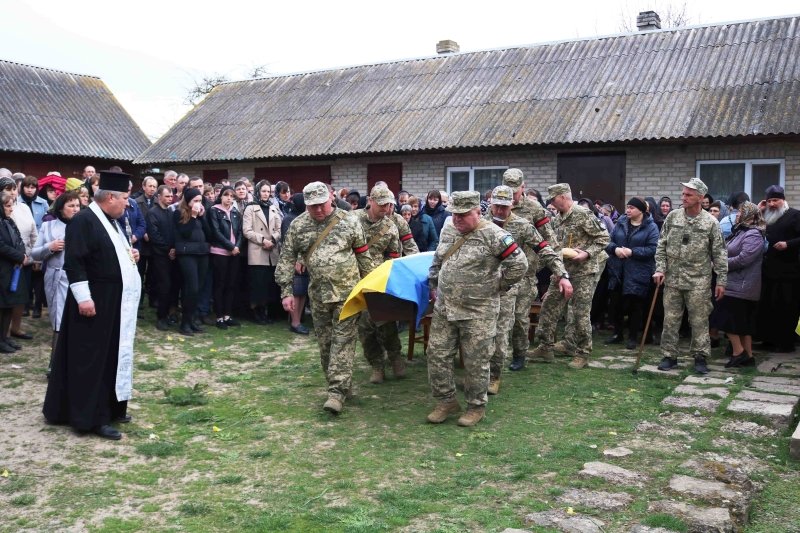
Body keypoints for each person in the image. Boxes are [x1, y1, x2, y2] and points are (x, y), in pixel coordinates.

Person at [42, 170, 141, 440]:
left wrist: (130, 254)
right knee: (92, 359)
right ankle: (92, 417)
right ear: (110, 198)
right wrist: (84, 297)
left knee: (110, 355)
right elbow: (75, 262)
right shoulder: (84, 220)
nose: (128, 204)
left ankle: (111, 406)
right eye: (125, 199)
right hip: (93, 302)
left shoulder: (112, 221)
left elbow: (109, 253)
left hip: (113, 302)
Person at [426, 191, 528, 427]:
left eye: (462, 215)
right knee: (437, 355)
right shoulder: (449, 229)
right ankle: (446, 400)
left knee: (476, 361)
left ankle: (475, 406)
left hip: (478, 311)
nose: (457, 219)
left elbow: (519, 264)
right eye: (454, 214)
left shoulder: (494, 234)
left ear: (477, 212)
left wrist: (499, 285)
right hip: (446, 308)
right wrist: (433, 283)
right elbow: (439, 258)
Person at [276, 182, 372, 415]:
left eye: (322, 205)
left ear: (331, 199)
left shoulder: (349, 221)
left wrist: (370, 287)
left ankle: (336, 393)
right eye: (313, 206)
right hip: (318, 295)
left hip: (347, 294)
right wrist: (286, 291)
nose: (318, 210)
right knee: (326, 344)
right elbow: (287, 259)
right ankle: (340, 383)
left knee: (343, 341)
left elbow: (363, 256)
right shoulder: (298, 226)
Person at [487, 185, 570, 384]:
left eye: (504, 207)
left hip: (517, 280)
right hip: (488, 283)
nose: (499, 211)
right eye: (496, 206)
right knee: (492, 327)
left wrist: (561, 273)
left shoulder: (522, 225)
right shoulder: (482, 223)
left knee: (514, 322)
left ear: (512, 205)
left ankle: (514, 359)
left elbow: (544, 248)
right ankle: (486, 371)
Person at [529, 183, 610, 369]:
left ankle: (582, 352)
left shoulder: (583, 214)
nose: (551, 203)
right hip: (561, 271)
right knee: (548, 307)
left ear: (563, 197)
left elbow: (604, 238)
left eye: (553, 199)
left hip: (583, 271)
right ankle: (545, 347)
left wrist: (587, 253)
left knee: (580, 313)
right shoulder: (557, 218)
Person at [654, 177, 727, 374]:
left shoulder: (710, 222)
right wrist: (660, 268)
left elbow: (719, 253)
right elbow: (661, 245)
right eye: (683, 194)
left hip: (699, 280)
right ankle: (669, 355)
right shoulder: (673, 217)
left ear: (700, 197)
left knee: (699, 320)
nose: (684, 197)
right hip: (673, 278)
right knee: (670, 319)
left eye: (689, 194)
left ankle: (700, 357)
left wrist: (721, 280)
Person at [355, 186, 403, 384]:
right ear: (370, 201)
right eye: (382, 204)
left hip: (379, 281)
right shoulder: (353, 220)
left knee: (386, 322)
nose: (386, 208)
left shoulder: (390, 226)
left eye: (389, 204)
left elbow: (394, 255)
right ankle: (377, 365)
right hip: (356, 280)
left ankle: (395, 356)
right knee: (365, 328)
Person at [710, 202, 765, 367]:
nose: (737, 215)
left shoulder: (753, 234)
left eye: (741, 212)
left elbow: (744, 259)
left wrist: (720, 264)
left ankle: (738, 353)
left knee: (727, 320)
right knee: (741, 324)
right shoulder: (741, 231)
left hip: (742, 285)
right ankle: (748, 357)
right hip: (736, 284)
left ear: (750, 216)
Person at [32, 191, 80, 371]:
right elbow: (34, 253)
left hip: (80, 279)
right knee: (59, 321)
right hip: (56, 277)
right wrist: (50, 247)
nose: (75, 209)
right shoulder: (48, 226)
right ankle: (54, 366)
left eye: (77, 206)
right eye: (71, 206)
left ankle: (75, 364)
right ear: (61, 208)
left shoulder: (86, 226)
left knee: (79, 321)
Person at [604, 197, 659, 350]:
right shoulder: (621, 223)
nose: (628, 210)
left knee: (636, 305)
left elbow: (653, 248)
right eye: (627, 207)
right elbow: (608, 241)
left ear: (641, 210)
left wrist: (632, 252)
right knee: (616, 304)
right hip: (618, 270)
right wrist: (615, 249)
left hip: (638, 271)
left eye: (632, 208)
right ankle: (617, 333)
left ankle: (633, 337)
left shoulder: (651, 227)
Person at [757, 185, 800, 353]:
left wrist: (788, 244)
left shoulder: (794, 215)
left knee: (786, 307)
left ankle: (785, 343)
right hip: (768, 270)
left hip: (789, 272)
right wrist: (759, 210)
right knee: (768, 305)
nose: (772, 204)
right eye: (769, 201)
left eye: (775, 200)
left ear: (783, 200)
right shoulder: (765, 216)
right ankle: (768, 340)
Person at [242, 180, 283, 325]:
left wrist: (273, 239)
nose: (266, 194)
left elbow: (279, 228)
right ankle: (256, 313)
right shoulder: (250, 208)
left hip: (272, 250)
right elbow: (246, 230)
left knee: (269, 284)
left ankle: (266, 312)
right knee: (258, 284)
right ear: (258, 191)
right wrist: (263, 240)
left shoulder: (273, 207)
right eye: (263, 191)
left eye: (268, 192)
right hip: (258, 250)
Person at [173, 188, 210, 336]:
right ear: (188, 201)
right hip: (187, 254)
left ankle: (191, 320)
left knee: (198, 289)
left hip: (202, 253)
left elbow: (209, 234)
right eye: (195, 200)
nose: (198, 203)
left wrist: (202, 217)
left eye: (200, 201)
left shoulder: (200, 215)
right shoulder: (178, 213)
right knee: (192, 288)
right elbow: (185, 233)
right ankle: (184, 323)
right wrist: (193, 216)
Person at [207, 186, 243, 329]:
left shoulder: (235, 212)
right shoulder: (214, 210)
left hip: (234, 253)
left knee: (231, 284)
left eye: (232, 196)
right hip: (220, 252)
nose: (229, 198)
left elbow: (240, 232)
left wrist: (237, 247)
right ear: (221, 196)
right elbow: (215, 232)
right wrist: (230, 247)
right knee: (220, 284)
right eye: (226, 195)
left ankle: (228, 315)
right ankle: (219, 317)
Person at [0, 190, 29, 353]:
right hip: (2, 269)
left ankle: (4, 337)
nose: (11, 209)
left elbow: (19, 240)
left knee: (9, 304)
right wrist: (19, 256)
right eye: (7, 206)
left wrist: (22, 255)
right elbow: (1, 246)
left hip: (12, 269)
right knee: (1, 305)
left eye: (11, 205)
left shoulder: (8, 221)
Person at [146, 186, 178, 331]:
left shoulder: (171, 212)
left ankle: (170, 314)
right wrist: (168, 249)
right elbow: (154, 235)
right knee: (164, 286)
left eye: (171, 196)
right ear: (159, 197)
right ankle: (161, 317)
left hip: (173, 254)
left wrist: (174, 248)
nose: (170, 199)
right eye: (167, 196)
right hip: (160, 255)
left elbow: (175, 231)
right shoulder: (152, 213)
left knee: (173, 286)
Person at [280, 193, 309, 334]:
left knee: (302, 291)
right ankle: (295, 322)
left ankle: (299, 318)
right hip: (294, 261)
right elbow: (287, 243)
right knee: (296, 292)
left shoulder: (305, 218)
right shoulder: (289, 219)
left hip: (305, 261)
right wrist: (297, 259)